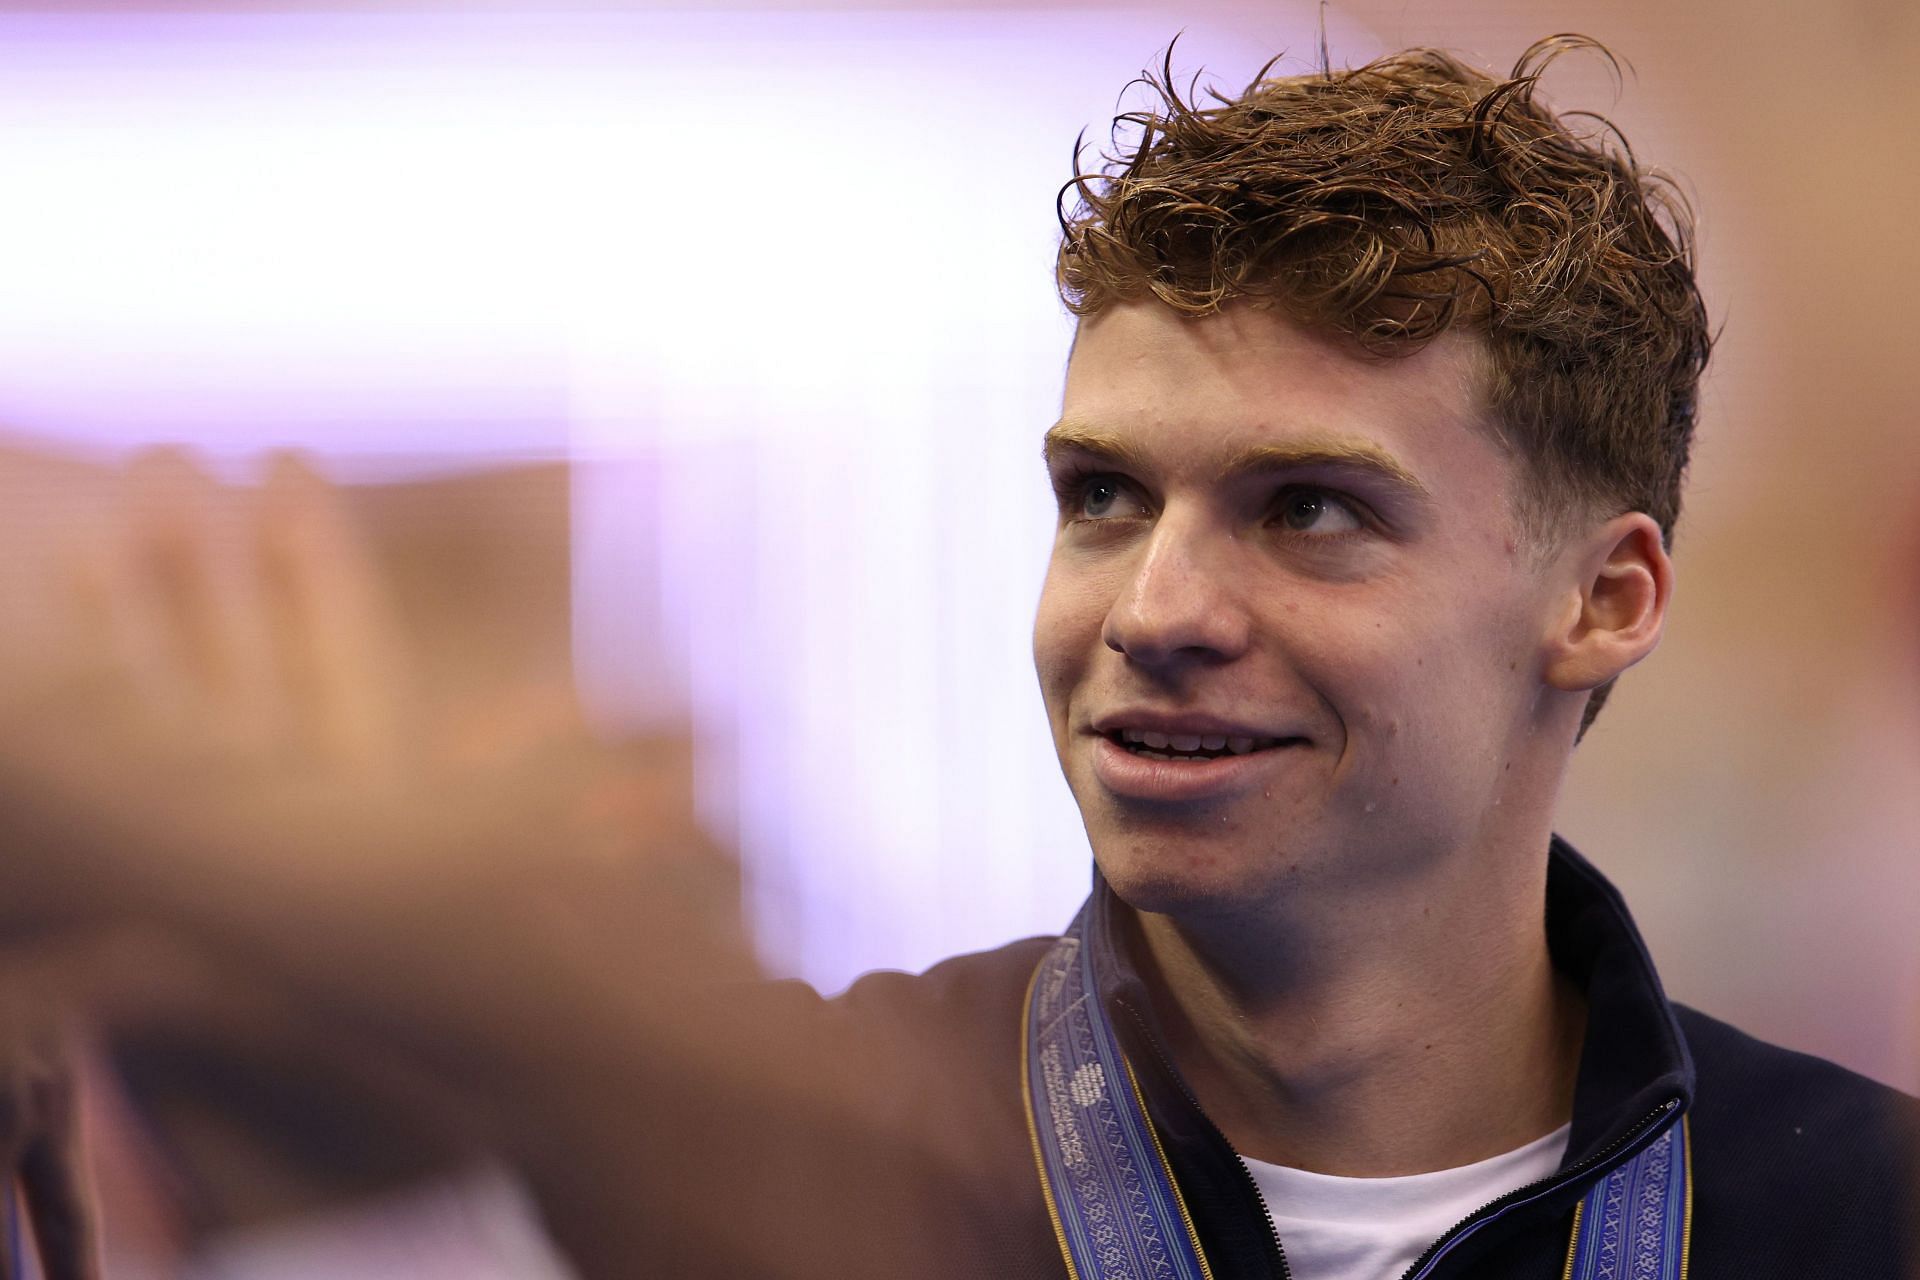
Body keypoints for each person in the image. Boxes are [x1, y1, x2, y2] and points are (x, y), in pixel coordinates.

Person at [0, 33, 1913, 1280]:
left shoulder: (1854, 1221)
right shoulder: (781, 1167)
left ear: (1607, 600)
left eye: (1310, 510)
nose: (1150, 609)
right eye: (1100, 496)